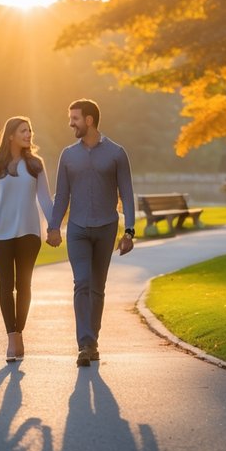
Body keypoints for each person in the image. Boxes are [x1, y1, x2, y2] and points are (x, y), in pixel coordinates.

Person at [46, 99, 136, 367]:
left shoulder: (117, 153)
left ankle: (92, 341)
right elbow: (62, 195)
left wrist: (129, 230)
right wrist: (53, 226)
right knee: (81, 282)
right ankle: (84, 343)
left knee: (97, 287)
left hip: (107, 227)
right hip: (77, 229)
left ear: (89, 120)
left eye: (74, 118)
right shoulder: (68, 155)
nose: (70, 123)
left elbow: (127, 195)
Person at [0, 116, 55, 362]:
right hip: (1, 234)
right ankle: (12, 337)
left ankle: (18, 333)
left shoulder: (35, 164)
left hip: (29, 233)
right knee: (5, 286)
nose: (29, 134)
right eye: (23, 130)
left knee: (24, 286)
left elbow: (45, 199)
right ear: (10, 135)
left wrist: (54, 228)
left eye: (30, 130)